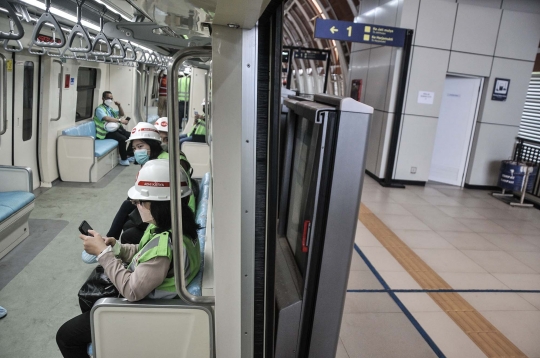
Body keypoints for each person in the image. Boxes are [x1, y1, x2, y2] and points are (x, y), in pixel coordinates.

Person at [57, 160, 200, 358]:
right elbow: (143, 250)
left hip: (149, 312)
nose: (135, 204)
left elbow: (132, 291)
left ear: (159, 204)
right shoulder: (173, 226)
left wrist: (102, 254)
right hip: (152, 298)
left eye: (141, 201)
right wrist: (115, 246)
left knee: (66, 336)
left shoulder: (164, 245)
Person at [105, 122, 168, 245]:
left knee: (128, 224)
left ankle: (109, 242)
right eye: (134, 148)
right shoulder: (155, 161)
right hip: (160, 207)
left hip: (166, 214)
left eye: (140, 146)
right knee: (128, 212)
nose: (137, 151)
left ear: (152, 145)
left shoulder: (161, 164)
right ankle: (109, 240)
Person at [154, 117, 197, 212]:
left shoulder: (179, 160)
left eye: (166, 139)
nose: (163, 143)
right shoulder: (159, 156)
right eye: (159, 139)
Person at [93, 91, 133, 166]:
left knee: (133, 135)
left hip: (114, 129)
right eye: (108, 98)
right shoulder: (99, 109)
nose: (110, 100)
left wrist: (119, 105)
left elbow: (121, 114)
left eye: (111, 98)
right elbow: (106, 118)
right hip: (105, 132)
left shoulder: (110, 109)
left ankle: (129, 155)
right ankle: (123, 159)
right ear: (103, 98)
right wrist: (120, 120)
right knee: (122, 138)